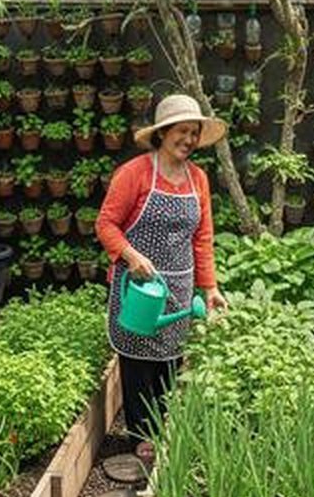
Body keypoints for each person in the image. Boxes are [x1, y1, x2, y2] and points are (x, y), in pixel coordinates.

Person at [97, 94, 229, 461]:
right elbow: (106, 224)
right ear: (163, 132)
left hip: (180, 285)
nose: (189, 140)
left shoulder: (198, 179)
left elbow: (202, 237)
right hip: (137, 286)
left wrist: (211, 287)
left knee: (170, 359)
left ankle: (165, 424)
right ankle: (141, 433)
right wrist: (131, 255)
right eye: (183, 131)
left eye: (194, 133)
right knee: (139, 361)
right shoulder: (135, 173)